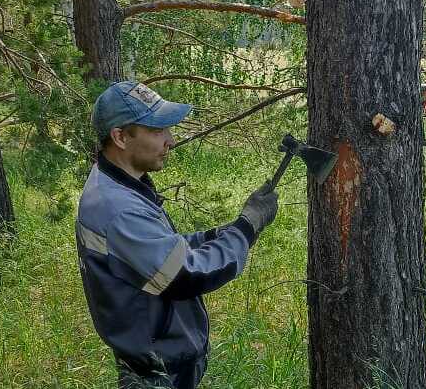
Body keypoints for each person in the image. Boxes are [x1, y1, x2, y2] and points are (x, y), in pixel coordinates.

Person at [76, 81, 279, 388]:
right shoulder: (118, 208)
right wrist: (246, 229)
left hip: (155, 354)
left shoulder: (119, 185)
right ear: (120, 136)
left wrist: (219, 233)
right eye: (157, 130)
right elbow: (184, 273)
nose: (170, 140)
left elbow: (162, 251)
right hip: (156, 368)